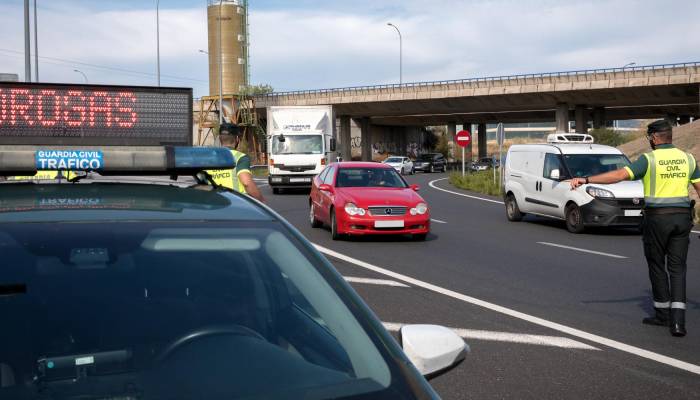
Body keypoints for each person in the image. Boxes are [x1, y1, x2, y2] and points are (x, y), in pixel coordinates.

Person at [570, 120, 700, 337]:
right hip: (682, 219)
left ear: (656, 138)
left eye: (650, 137)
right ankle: (678, 323)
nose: (649, 141)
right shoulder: (688, 159)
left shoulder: (649, 159)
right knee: (678, 269)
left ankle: (662, 315)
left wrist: (585, 179)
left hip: (657, 219)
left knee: (657, 264)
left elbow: (620, 175)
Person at [205, 123, 265, 203]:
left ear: (219, 139)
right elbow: (246, 182)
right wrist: (261, 201)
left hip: (214, 203)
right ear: (237, 139)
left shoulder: (209, 158)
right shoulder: (240, 158)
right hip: (236, 204)